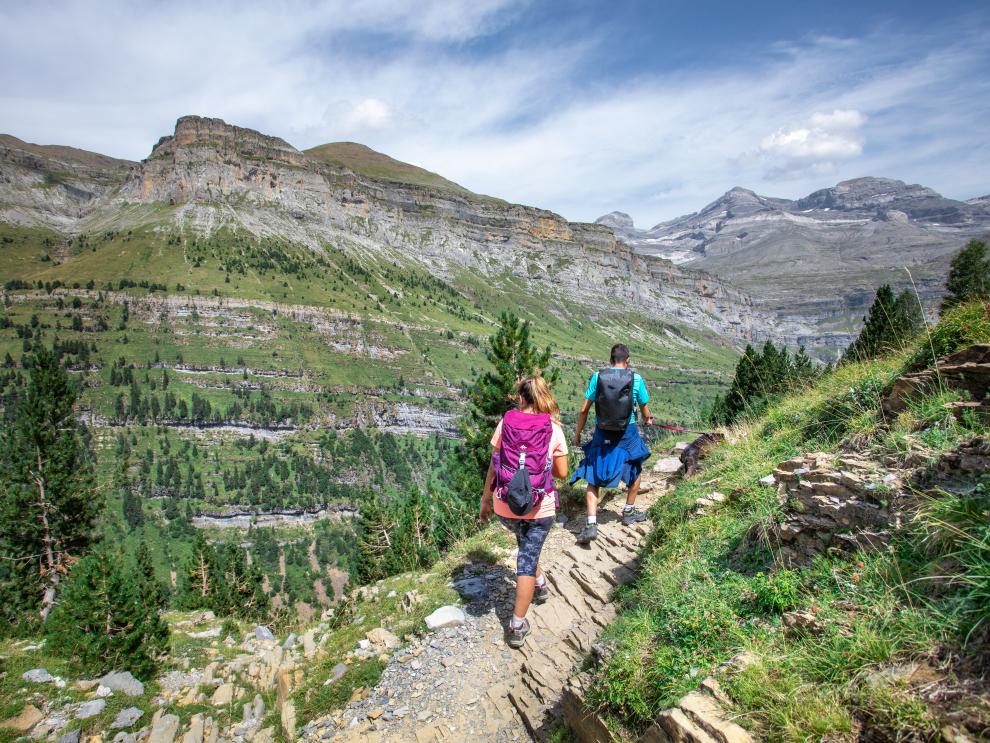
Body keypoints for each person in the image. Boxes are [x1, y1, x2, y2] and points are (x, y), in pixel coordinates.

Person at [479, 376, 568, 648]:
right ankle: (517, 625)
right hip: (539, 506)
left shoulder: (506, 423)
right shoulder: (552, 429)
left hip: (505, 505)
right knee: (526, 559)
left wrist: (485, 500)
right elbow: (562, 473)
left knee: (526, 543)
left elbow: (495, 464)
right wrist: (542, 466)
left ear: (521, 398)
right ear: (544, 398)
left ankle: (539, 584)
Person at [571, 343, 655, 545]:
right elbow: (644, 408)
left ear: (610, 360)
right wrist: (648, 419)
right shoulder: (636, 379)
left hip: (602, 431)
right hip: (628, 432)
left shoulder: (597, 377)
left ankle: (591, 524)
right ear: (628, 361)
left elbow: (584, 410)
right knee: (635, 468)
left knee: (593, 473)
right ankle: (628, 512)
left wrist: (577, 434)